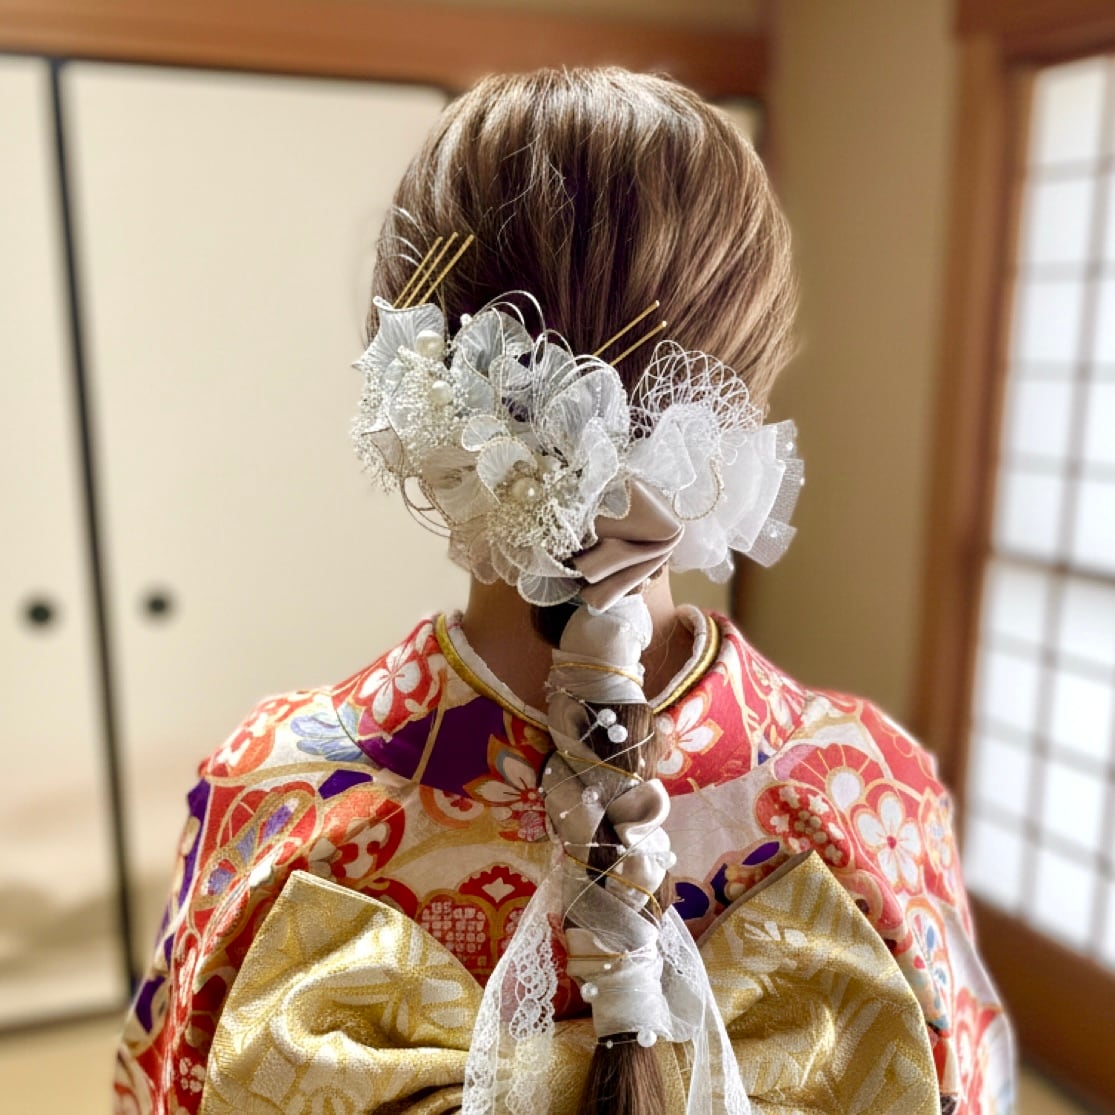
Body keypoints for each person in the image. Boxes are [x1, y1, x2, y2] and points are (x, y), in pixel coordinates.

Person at [114, 68, 1013, 1114]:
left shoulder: (273, 794)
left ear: (408, 379)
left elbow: (157, 1086)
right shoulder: (864, 791)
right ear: (736, 396)